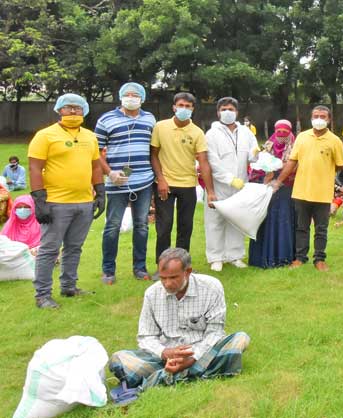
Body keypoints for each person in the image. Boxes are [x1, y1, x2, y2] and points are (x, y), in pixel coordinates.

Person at [109, 248, 250, 392]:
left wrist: (193, 357)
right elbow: (146, 336)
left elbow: (215, 332)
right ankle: (192, 373)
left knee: (240, 339)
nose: (167, 284)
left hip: (202, 352)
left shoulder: (211, 287)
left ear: (188, 272)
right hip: (165, 358)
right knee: (119, 359)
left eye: (173, 277)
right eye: (163, 278)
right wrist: (165, 353)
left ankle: (165, 377)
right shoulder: (152, 294)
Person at [28, 93, 105, 309]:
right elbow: (35, 167)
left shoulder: (90, 136)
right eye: (68, 107)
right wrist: (39, 199)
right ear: (59, 110)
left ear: (84, 110)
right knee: (49, 249)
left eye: (77, 108)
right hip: (55, 202)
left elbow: (96, 166)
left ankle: (69, 286)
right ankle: (42, 295)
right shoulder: (45, 136)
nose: (73, 111)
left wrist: (100, 192)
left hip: (84, 201)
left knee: (74, 247)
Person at [269, 105, 343, 272]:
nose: (319, 119)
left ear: (329, 119)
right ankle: (300, 258)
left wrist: (323, 172)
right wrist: (279, 181)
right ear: (311, 118)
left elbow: (340, 165)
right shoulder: (302, 137)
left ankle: (319, 259)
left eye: (323, 116)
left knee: (321, 229)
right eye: (316, 115)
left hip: (323, 193)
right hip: (302, 191)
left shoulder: (335, 141)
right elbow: (292, 162)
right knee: (301, 227)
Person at [95, 82, 156, 284]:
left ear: (142, 98)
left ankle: (139, 268)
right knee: (112, 226)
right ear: (121, 97)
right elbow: (96, 152)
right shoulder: (106, 119)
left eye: (135, 95)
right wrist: (110, 173)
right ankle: (108, 271)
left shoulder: (149, 119)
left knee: (141, 226)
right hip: (117, 182)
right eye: (127, 94)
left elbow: (153, 149)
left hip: (144, 180)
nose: (131, 97)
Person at [150, 92, 216, 275]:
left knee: (185, 227)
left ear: (193, 109)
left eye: (188, 107)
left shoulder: (197, 132)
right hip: (165, 184)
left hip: (188, 184)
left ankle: (182, 267)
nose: (184, 109)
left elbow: (203, 162)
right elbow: (153, 154)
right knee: (164, 227)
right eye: (181, 105)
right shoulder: (160, 127)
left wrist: (210, 191)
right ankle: (162, 266)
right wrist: (161, 179)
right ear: (173, 107)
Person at [204, 97, 258, 272]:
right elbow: (212, 161)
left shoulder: (246, 132)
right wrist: (229, 179)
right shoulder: (212, 134)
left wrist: (257, 153)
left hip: (241, 184)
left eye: (231, 109)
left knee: (236, 220)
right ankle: (215, 257)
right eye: (224, 109)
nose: (227, 112)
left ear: (237, 112)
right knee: (215, 220)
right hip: (219, 184)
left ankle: (235, 256)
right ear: (218, 112)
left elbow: (252, 156)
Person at [248, 120, 296, 268]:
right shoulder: (268, 145)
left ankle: (283, 257)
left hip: (286, 190)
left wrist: (279, 178)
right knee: (265, 220)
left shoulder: (294, 147)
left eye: (285, 131)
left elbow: (295, 165)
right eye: (278, 131)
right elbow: (258, 165)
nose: (281, 134)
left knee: (282, 220)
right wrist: (267, 175)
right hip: (268, 189)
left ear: (290, 131)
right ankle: (261, 258)